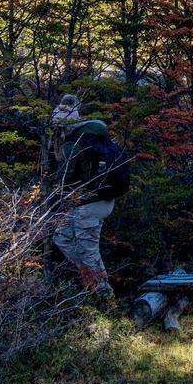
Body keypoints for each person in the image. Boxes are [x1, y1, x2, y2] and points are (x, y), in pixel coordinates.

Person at [50, 95, 127, 298]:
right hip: (97, 201)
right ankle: (91, 281)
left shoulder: (73, 144)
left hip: (89, 204)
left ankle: (104, 296)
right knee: (62, 238)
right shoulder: (90, 138)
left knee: (88, 250)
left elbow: (65, 177)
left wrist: (53, 189)